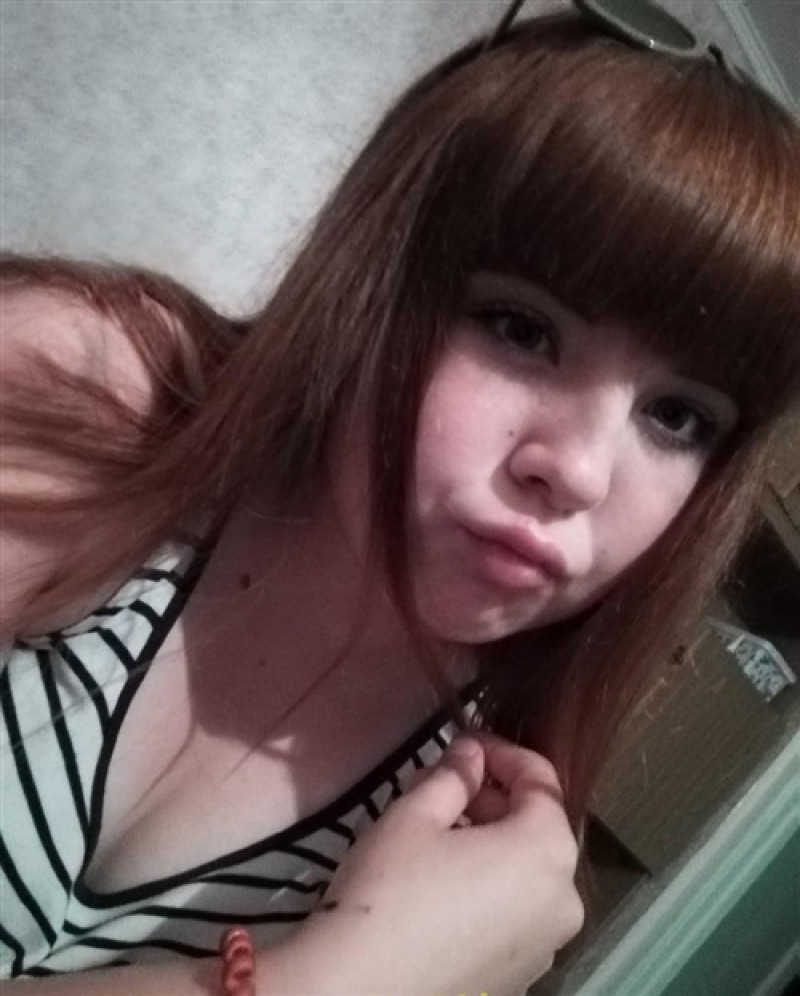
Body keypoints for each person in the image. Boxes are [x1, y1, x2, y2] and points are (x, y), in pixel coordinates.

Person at [2, 3, 799, 994]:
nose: (580, 472)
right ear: (374, 276)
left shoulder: (472, 839)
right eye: (520, 329)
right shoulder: (102, 402)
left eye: (677, 419)